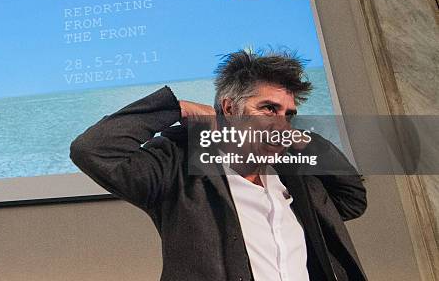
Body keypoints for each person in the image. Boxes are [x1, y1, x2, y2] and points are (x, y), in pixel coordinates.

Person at [70, 50, 367, 281]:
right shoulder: (177, 172)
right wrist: (178, 108)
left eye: (288, 114)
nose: (280, 123)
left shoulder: (294, 177)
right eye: (268, 108)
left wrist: (310, 142)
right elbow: (93, 150)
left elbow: (352, 200)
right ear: (229, 108)